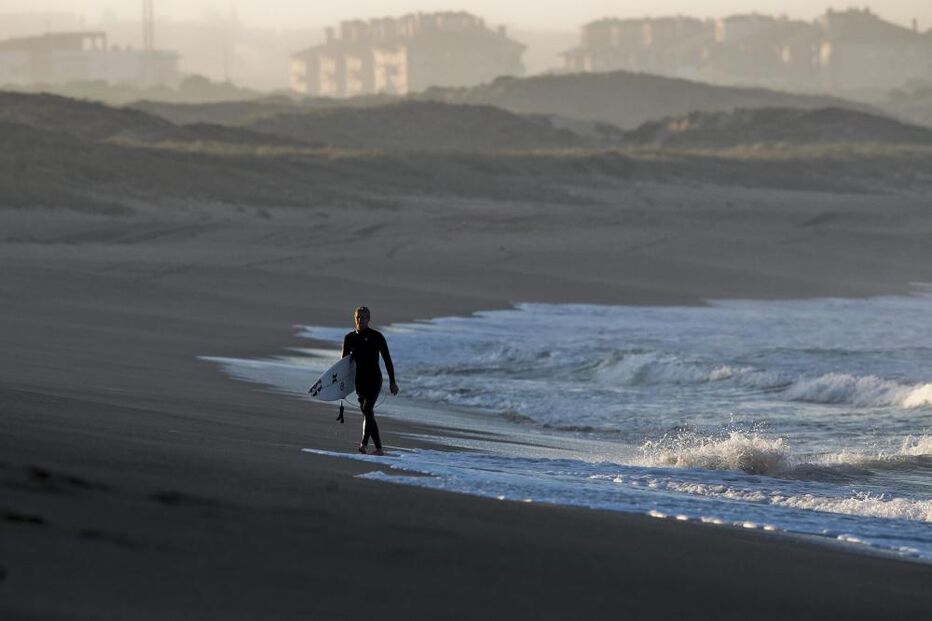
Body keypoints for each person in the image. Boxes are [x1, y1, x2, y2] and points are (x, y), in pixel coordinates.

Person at [341, 306, 398, 456]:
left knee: (367, 409)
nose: (360, 320)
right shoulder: (349, 338)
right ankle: (379, 449)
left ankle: (363, 444)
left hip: (374, 379)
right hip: (359, 381)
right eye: (358, 317)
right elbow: (343, 365)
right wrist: (341, 387)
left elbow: (387, 360)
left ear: (369, 319)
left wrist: (393, 382)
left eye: (364, 317)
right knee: (368, 412)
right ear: (355, 318)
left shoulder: (377, 336)